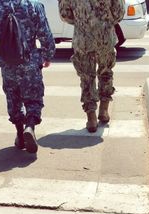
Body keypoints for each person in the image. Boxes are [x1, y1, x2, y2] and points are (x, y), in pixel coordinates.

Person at [0, 0, 55, 153]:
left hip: (8, 62)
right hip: (30, 60)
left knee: (13, 98)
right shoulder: (34, 5)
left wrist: (2, 29)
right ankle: (30, 127)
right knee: (34, 97)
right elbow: (45, 33)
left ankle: (20, 134)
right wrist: (47, 55)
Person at [58, 0, 125, 132]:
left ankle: (91, 117)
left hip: (83, 38)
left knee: (86, 77)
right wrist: (103, 21)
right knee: (105, 72)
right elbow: (119, 13)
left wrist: (82, 21)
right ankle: (104, 110)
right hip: (105, 37)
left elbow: (65, 14)